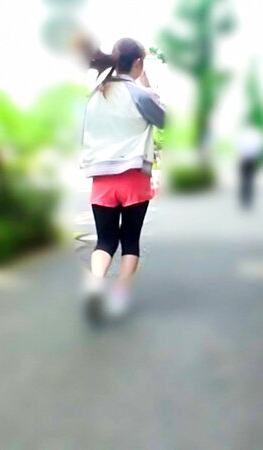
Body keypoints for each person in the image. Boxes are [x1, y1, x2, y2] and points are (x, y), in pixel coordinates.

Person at [80, 38, 165, 322]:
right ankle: (118, 297)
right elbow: (163, 118)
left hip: (102, 180)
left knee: (104, 241)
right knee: (130, 242)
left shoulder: (97, 94)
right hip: (133, 179)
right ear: (138, 63)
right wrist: (147, 81)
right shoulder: (139, 95)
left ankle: (95, 284)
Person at [236, 124, 263, 209]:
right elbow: (259, 146)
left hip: (244, 158)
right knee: (250, 179)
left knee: (245, 179)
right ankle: (248, 199)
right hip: (252, 159)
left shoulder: (243, 135)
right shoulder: (256, 135)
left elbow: (238, 145)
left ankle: (245, 198)